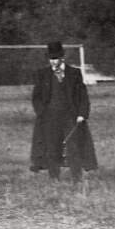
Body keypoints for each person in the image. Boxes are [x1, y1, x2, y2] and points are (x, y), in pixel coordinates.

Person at [30, 41, 96, 181]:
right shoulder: (42, 74)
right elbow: (36, 98)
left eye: (56, 58)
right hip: (50, 118)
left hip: (70, 117)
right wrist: (42, 114)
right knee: (52, 147)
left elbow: (82, 96)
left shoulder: (74, 73)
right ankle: (54, 178)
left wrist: (82, 114)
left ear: (62, 58)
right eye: (51, 59)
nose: (53, 62)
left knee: (73, 147)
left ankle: (76, 178)